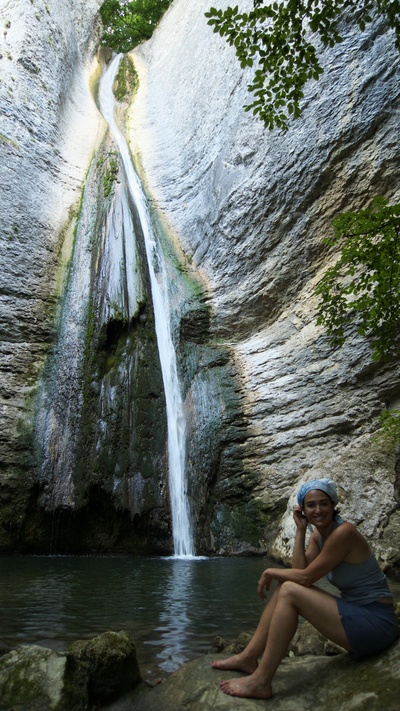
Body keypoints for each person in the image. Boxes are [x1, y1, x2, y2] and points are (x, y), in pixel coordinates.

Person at [211, 477, 399, 700]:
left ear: (333, 505)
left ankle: (261, 681)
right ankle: (248, 656)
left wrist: (270, 571)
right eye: (311, 505)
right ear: (303, 510)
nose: (318, 510)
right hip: (356, 616)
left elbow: (305, 577)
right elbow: (300, 572)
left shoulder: (343, 532)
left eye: (324, 503)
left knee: (289, 589)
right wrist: (301, 531)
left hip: (376, 624)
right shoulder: (318, 535)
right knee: (286, 587)